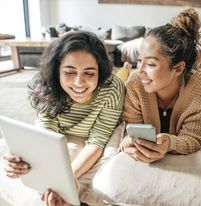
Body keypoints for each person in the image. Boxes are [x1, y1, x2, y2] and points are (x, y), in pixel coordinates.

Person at [2, 31, 125, 205]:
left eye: (89, 73)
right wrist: (22, 160)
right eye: (69, 72)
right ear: (57, 70)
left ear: (100, 71)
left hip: (89, 137)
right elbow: (44, 130)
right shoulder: (49, 85)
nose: (79, 83)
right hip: (59, 133)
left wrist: (69, 178)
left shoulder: (112, 88)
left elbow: (97, 141)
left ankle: (125, 68)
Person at [120, 8, 201, 163]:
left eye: (150, 64)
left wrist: (170, 143)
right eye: (139, 60)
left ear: (178, 68)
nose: (140, 70)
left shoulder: (200, 87)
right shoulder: (135, 82)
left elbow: (195, 138)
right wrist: (128, 143)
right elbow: (129, 128)